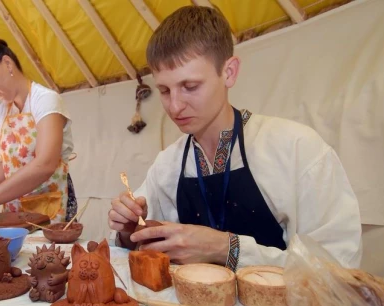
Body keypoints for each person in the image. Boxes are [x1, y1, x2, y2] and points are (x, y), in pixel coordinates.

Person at [107, 6, 362, 271]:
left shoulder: (296, 149)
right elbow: (141, 246)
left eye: (190, 87)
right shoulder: (167, 166)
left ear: (229, 73)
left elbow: (339, 268)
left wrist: (226, 248)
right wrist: (129, 230)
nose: (174, 106)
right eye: (164, 90)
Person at [0, 39, 77, 223]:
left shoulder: (45, 100)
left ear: (7, 63)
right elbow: (8, 161)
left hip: (50, 208)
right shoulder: (2, 112)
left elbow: (45, 164)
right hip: (15, 211)